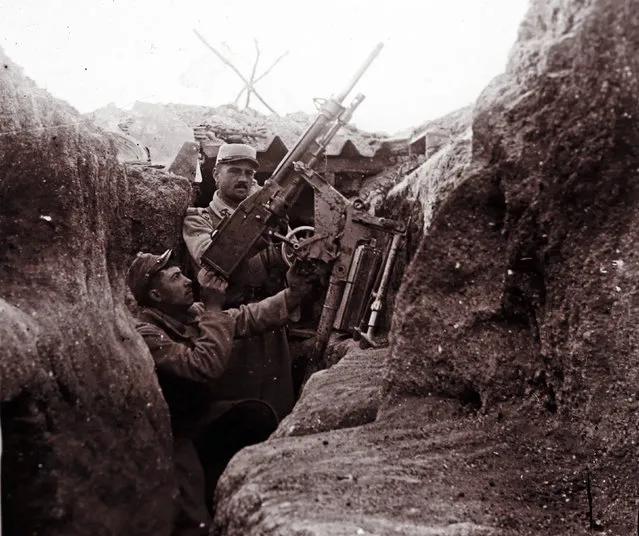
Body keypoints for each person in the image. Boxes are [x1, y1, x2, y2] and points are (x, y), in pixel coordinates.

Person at [127, 249, 310, 536]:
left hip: (198, 420)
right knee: (191, 517)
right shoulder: (146, 332)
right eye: (176, 278)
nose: (189, 281)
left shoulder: (188, 315)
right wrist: (213, 307)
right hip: (172, 435)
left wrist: (293, 294)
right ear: (157, 296)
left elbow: (245, 318)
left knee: (255, 416)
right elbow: (203, 366)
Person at [182, 143, 297, 420]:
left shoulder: (268, 220)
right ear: (216, 176)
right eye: (234, 171)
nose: (244, 179)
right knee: (232, 417)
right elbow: (213, 259)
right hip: (227, 329)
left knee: (276, 411)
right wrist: (256, 227)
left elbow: (285, 261)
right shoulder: (198, 219)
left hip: (270, 327)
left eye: (249, 173)